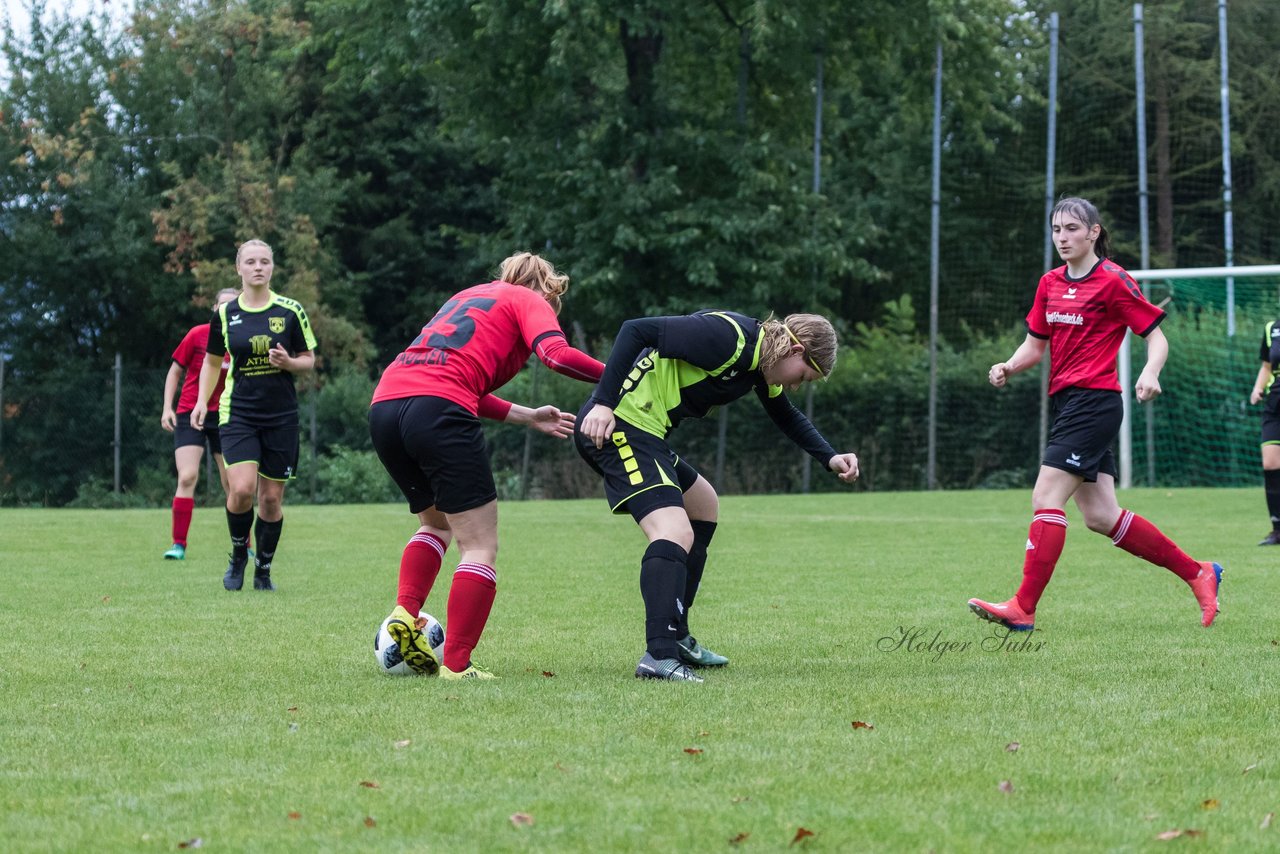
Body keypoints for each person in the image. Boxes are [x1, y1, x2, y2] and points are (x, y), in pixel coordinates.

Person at [968, 196, 1222, 631]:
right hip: (1068, 403)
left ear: (1093, 232)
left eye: (1071, 229)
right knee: (1102, 517)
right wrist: (1009, 365)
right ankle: (1199, 572)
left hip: (1095, 402)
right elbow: (1034, 345)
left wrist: (1150, 372)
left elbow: (1155, 337)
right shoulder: (1049, 282)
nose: (1062, 237)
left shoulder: (1113, 281)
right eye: (1056, 229)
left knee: (1046, 497)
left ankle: (1023, 608)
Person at [575, 310, 860, 682]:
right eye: (804, 376)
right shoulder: (728, 337)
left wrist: (831, 457)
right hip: (619, 427)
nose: (796, 386)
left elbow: (786, 416)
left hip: (646, 434)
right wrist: (603, 402)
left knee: (703, 505)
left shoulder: (760, 366)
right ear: (795, 348)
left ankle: (677, 636)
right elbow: (636, 330)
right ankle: (658, 655)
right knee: (674, 530)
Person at [369, 251, 604, 680]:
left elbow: (453, 376)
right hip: (436, 411)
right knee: (479, 546)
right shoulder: (528, 300)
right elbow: (556, 354)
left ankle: (405, 613)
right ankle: (457, 665)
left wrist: (527, 415)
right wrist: (618, 375)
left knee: (436, 524)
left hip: (386, 405)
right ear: (547, 289)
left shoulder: (468, 296)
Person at [191, 239, 317, 592]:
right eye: (251, 261)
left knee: (271, 499)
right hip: (239, 413)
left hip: (280, 416)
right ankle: (238, 555)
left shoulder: (291, 311)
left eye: (264, 261)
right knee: (242, 489)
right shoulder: (225, 314)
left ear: (272, 268)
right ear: (239, 269)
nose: (258, 267)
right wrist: (203, 401)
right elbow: (213, 361)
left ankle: (263, 570)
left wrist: (289, 363)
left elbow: (308, 360)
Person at [159, 287, 239, 560]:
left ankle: (245, 546)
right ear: (214, 308)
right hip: (191, 412)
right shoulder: (197, 334)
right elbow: (175, 370)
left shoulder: (244, 338)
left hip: (228, 414)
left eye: (232, 304)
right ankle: (178, 544)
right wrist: (167, 408)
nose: (226, 309)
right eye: (222, 305)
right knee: (187, 476)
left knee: (234, 484)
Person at [1248, 323, 1280, 544]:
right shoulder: (1272, 328)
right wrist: (1257, 388)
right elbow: (1267, 366)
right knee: (1270, 463)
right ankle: (1277, 529)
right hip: (1275, 403)